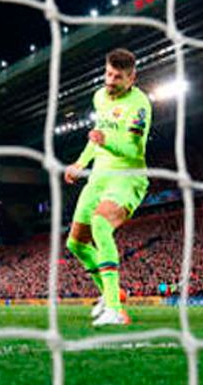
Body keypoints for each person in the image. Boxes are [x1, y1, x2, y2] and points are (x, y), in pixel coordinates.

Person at [64, 48, 152, 326]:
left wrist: (106, 141)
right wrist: (80, 163)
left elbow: (132, 147)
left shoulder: (140, 105)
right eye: (108, 74)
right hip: (98, 177)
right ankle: (110, 294)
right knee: (76, 243)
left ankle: (114, 310)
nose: (111, 80)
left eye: (118, 77)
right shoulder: (100, 97)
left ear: (132, 77)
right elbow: (96, 135)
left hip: (126, 176)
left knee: (100, 225)